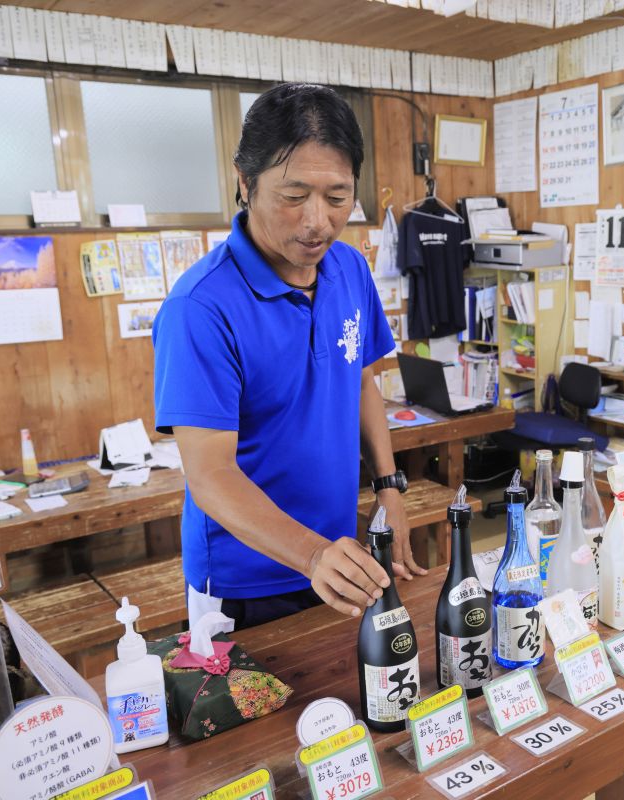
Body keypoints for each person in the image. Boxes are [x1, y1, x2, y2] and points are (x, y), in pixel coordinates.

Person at [153, 83, 425, 630]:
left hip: (337, 554)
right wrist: (311, 555)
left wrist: (389, 486)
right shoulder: (201, 307)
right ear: (245, 182)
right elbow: (209, 476)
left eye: (337, 196)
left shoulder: (348, 269)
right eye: (294, 196)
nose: (317, 222)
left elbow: (361, 381)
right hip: (243, 581)